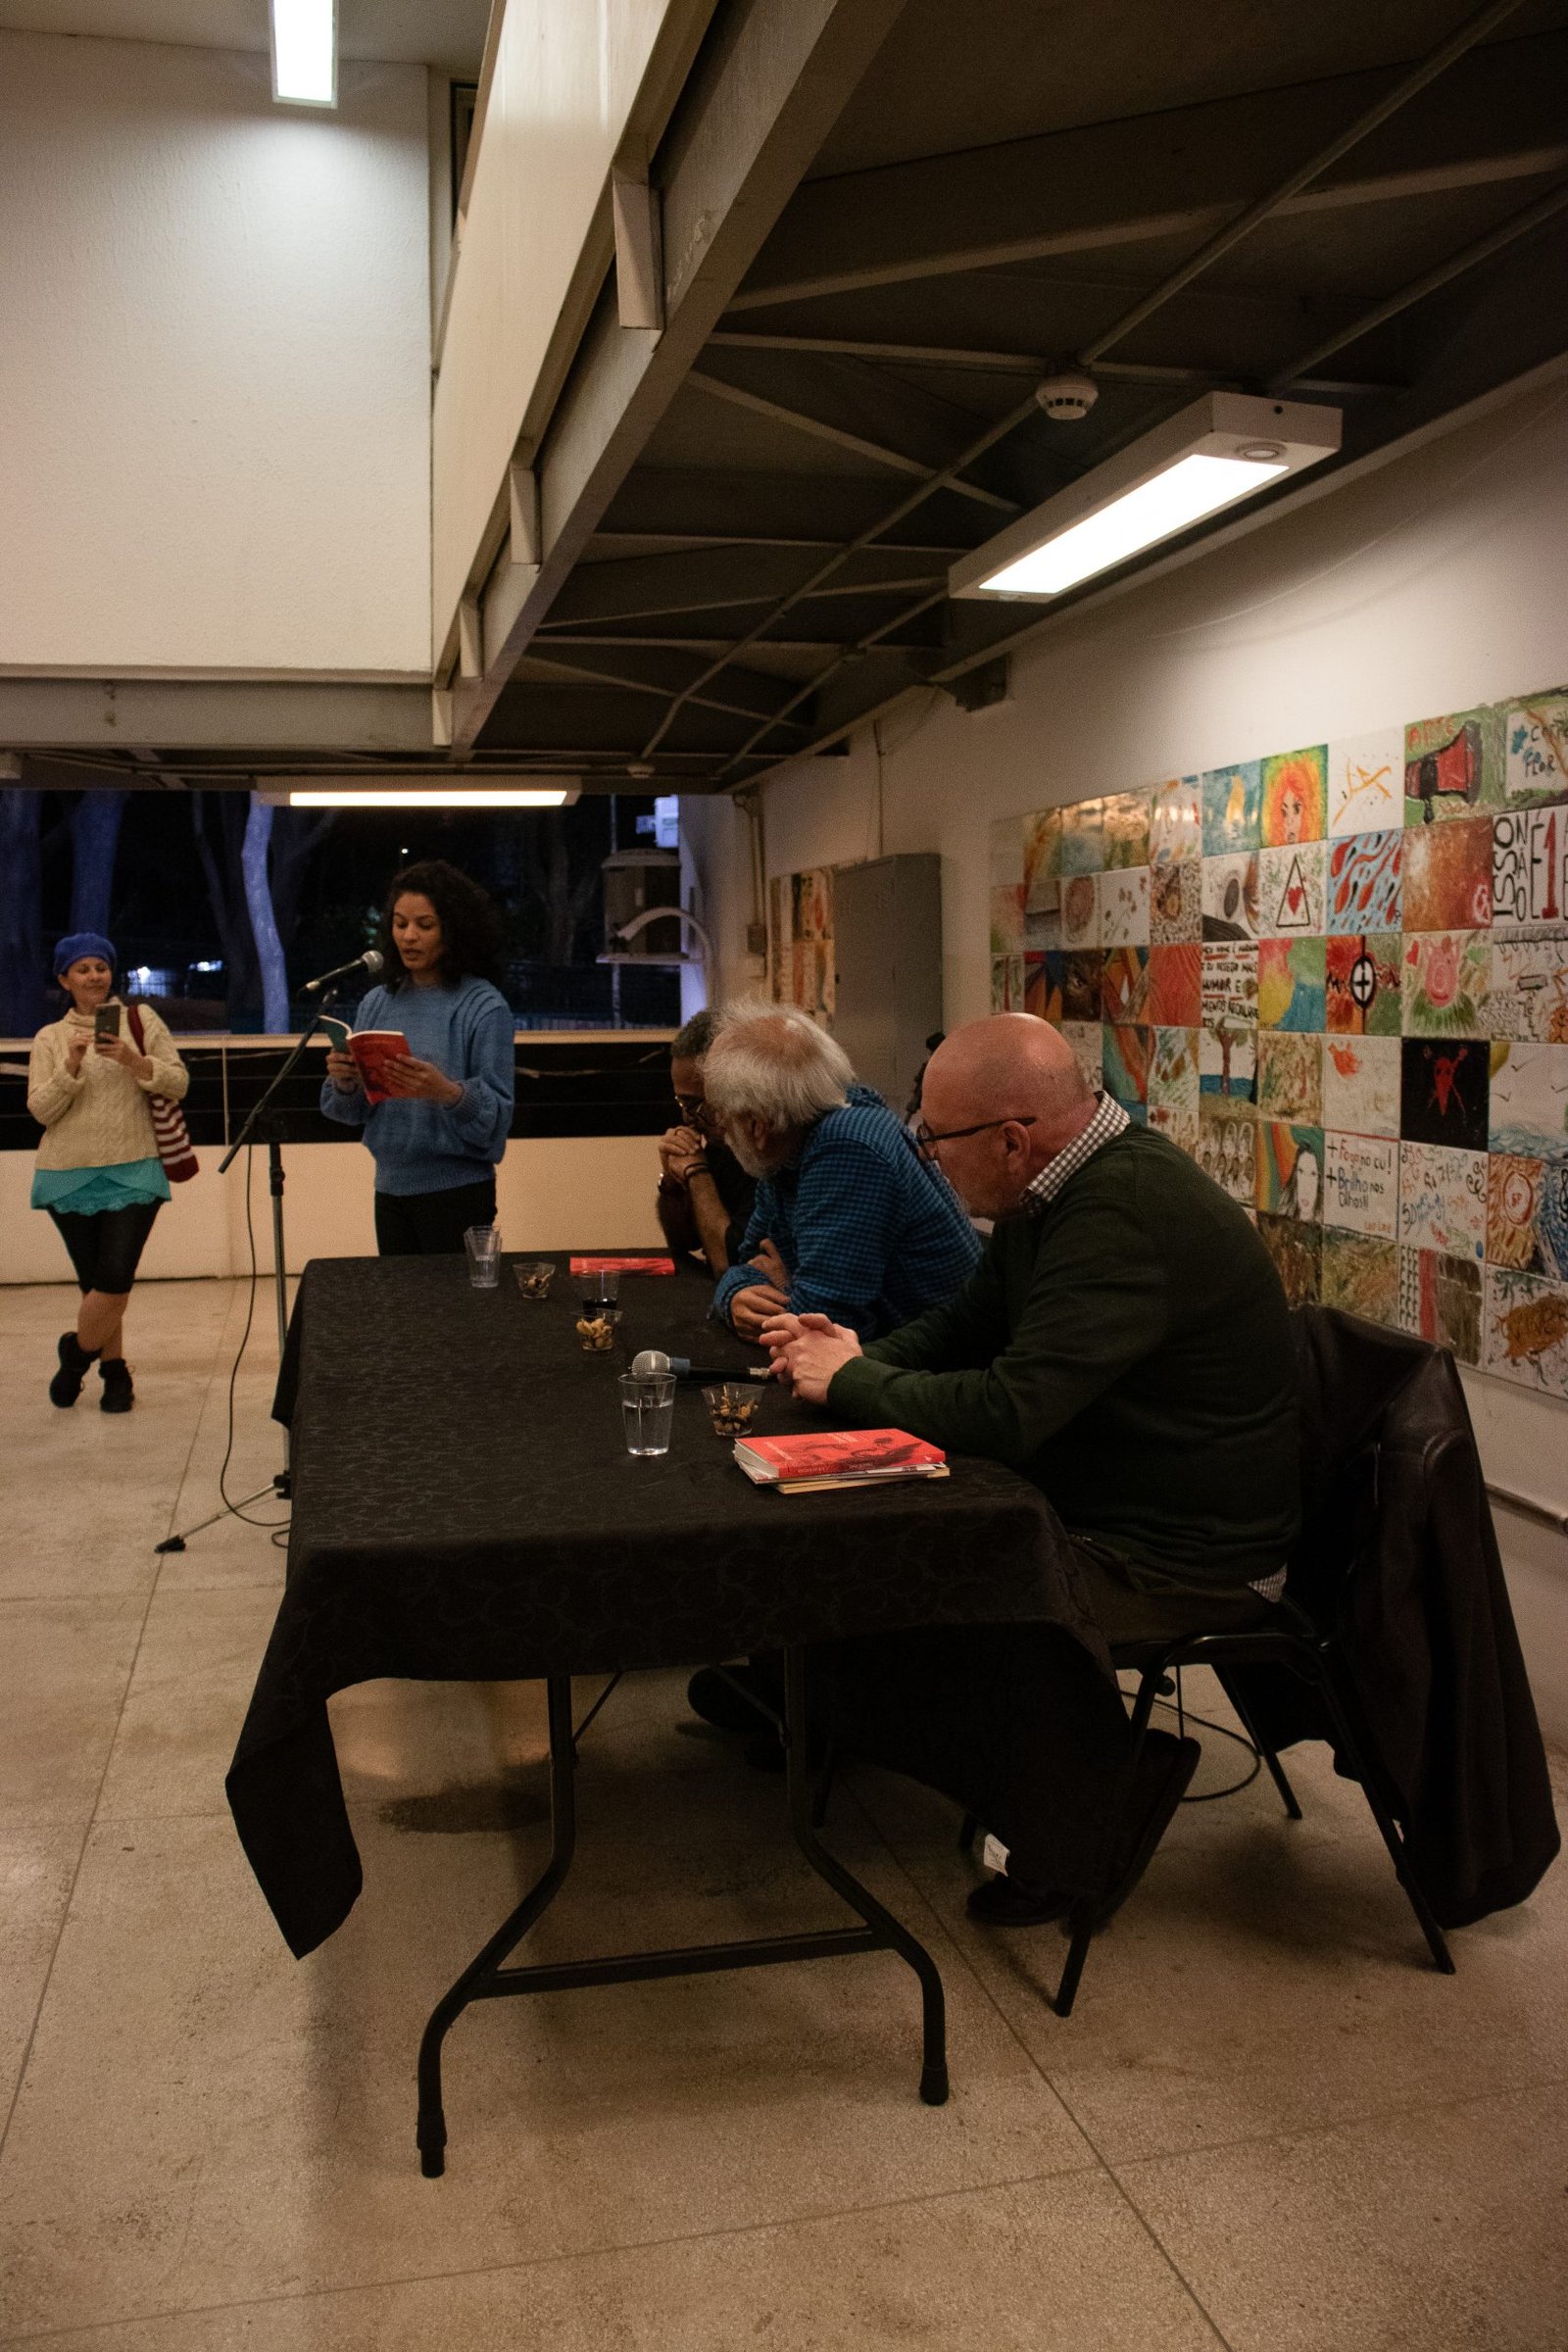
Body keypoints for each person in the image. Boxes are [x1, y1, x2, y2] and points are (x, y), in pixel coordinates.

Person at [761, 1012, 1301, 1926]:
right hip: (1112, 1503)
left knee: (946, 1585)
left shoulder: (1119, 1213)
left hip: (1185, 1560)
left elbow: (1011, 1413)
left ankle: (1094, 1809)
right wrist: (857, 1355)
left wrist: (856, 1381)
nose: (925, 1158)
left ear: (1012, 1141)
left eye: (933, 1139)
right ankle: (817, 1712)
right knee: (886, 1556)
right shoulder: (1052, 1190)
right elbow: (968, 1327)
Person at [701, 1003, 981, 1341]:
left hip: (936, 1370)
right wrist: (732, 1293)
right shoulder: (791, 1143)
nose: (721, 1129)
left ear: (756, 1126)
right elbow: (748, 1260)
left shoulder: (847, 1147)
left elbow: (824, 1329)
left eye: (721, 1117)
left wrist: (784, 1283)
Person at [27, 932, 190, 1412]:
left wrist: (133, 1059)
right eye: (82, 969)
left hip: (135, 1167)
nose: (94, 976)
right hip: (67, 1172)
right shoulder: (49, 1038)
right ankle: (115, 1371)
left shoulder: (141, 1021)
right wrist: (72, 1066)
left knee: (116, 1277)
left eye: (101, 967)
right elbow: (41, 1111)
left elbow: (178, 1082)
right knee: (96, 1283)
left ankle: (75, 1356)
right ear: (64, 979)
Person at [322, 859, 515, 1255]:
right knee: (402, 1314)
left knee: (453, 1315)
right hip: (389, 1189)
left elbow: (497, 1118)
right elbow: (349, 1112)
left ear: (454, 929)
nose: (408, 936)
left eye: (424, 926)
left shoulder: (483, 1006)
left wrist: (446, 1092)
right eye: (399, 923)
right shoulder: (377, 1002)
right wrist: (345, 1082)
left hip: (458, 1192)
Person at [655, 1007, 758, 1277]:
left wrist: (697, 1173)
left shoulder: (765, 1148)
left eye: (697, 1103)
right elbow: (683, 1242)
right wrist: (673, 1182)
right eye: (682, 1102)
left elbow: (727, 1262)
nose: (689, 1119)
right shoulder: (715, 1140)